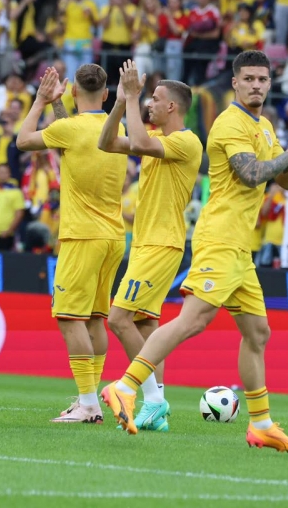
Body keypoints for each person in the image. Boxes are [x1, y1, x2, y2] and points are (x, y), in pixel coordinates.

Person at [101, 50, 288, 453]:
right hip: (219, 239)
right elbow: (251, 173)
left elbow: (286, 180)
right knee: (193, 320)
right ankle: (125, 387)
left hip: (241, 247)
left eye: (263, 79)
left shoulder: (266, 127)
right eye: (249, 78)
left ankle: (261, 424)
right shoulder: (228, 123)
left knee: (258, 333)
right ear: (235, 84)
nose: (257, 85)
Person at [16, 64, 128, 424]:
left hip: (82, 237)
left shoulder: (68, 128)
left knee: (69, 318)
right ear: (107, 94)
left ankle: (88, 403)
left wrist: (41, 100)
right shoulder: (118, 126)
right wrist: (57, 106)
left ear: (73, 92)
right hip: (113, 236)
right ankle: (90, 400)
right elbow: (72, 136)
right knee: (96, 319)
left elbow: (22, 140)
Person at [97, 61, 203, 432]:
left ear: (172, 106)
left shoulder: (186, 142)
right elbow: (106, 142)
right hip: (145, 244)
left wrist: (132, 96)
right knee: (144, 326)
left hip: (162, 244)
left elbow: (138, 141)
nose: (148, 105)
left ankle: (153, 400)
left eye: (154, 100)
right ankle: (156, 409)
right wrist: (121, 101)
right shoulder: (160, 142)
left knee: (118, 318)